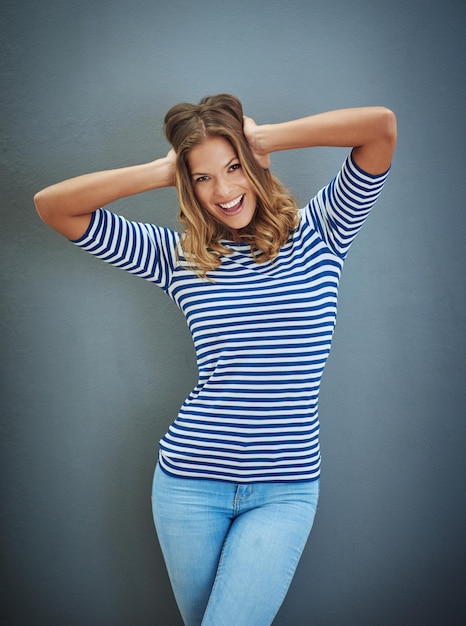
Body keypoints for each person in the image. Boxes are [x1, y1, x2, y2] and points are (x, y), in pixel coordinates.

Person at [34, 94, 397, 626]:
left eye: (233, 168)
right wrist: (166, 171)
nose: (224, 191)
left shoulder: (321, 234)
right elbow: (53, 206)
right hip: (188, 488)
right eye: (202, 179)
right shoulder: (177, 256)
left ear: (252, 164)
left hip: (285, 490)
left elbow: (380, 129)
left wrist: (265, 139)